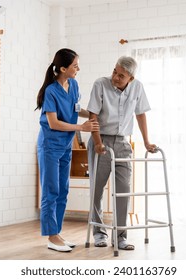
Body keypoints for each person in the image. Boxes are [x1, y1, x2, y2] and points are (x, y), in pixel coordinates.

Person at [87, 56, 157, 250]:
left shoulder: (137, 87)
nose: (115, 78)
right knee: (97, 190)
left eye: (121, 76)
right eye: (115, 72)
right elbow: (92, 115)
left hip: (123, 144)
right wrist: (98, 143)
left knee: (123, 191)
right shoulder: (100, 84)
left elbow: (140, 114)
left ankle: (120, 237)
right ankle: (99, 233)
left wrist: (146, 142)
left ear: (131, 78)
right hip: (100, 140)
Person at [36, 48, 99, 252]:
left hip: (65, 146)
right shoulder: (51, 91)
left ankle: (57, 234)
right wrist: (82, 127)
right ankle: (51, 237)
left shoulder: (73, 84)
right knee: (51, 191)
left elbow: (74, 109)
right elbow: (53, 123)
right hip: (50, 145)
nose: (78, 68)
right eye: (74, 65)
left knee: (63, 191)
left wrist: (94, 115)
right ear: (63, 68)